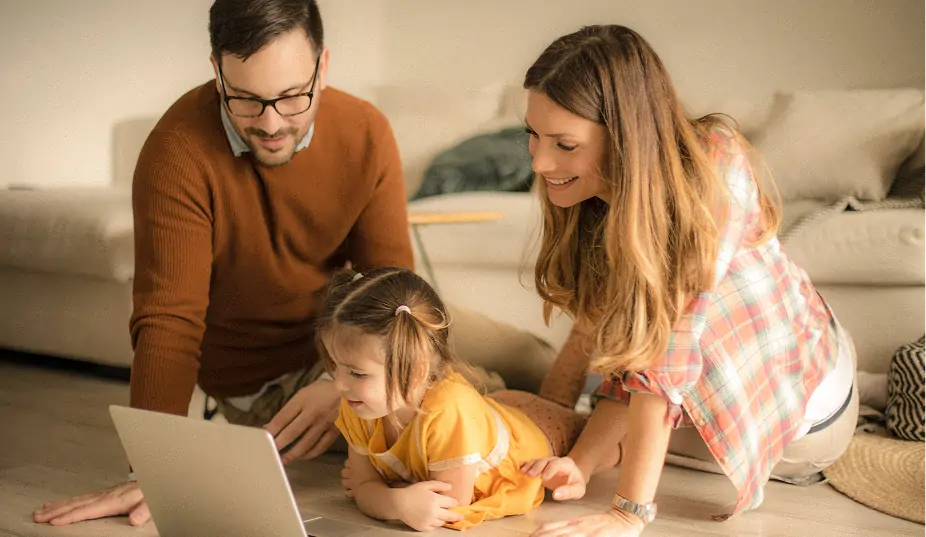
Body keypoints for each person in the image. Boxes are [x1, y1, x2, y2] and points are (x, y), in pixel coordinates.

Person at [33, 0, 555, 528]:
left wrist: (340, 383)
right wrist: (150, 471)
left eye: (291, 97)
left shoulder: (365, 130)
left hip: (357, 330)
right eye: (246, 100)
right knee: (472, 403)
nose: (271, 123)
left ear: (322, 67)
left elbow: (391, 283)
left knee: (532, 360)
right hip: (267, 374)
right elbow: (169, 320)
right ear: (217, 71)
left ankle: (585, 450)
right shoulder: (177, 153)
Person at [517, 25, 859, 536]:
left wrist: (628, 512)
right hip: (705, 396)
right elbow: (631, 353)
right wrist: (582, 465)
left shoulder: (712, 168)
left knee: (602, 406)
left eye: (565, 144)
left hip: (807, 423)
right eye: (533, 136)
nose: (541, 163)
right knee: (572, 404)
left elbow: (663, 359)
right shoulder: (601, 201)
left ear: (627, 135)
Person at [321, 267, 589, 531]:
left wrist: (387, 496)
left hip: (540, 433)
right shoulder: (358, 403)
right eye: (335, 366)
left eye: (356, 373)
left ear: (416, 373)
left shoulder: (447, 413)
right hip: (493, 412)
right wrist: (397, 501)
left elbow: (447, 508)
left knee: (596, 435)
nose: (339, 384)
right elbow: (363, 488)